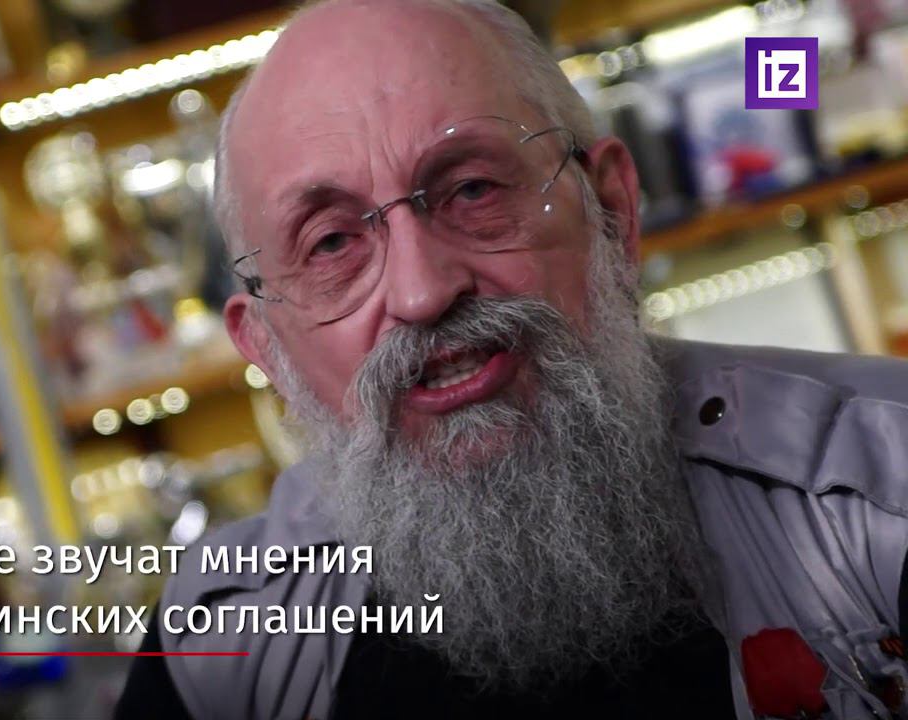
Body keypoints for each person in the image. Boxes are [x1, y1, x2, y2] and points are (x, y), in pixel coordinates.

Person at [116, 1, 908, 717]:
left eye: (472, 191)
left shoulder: (886, 497)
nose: (422, 291)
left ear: (611, 212)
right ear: (265, 347)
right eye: (331, 244)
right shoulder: (221, 645)